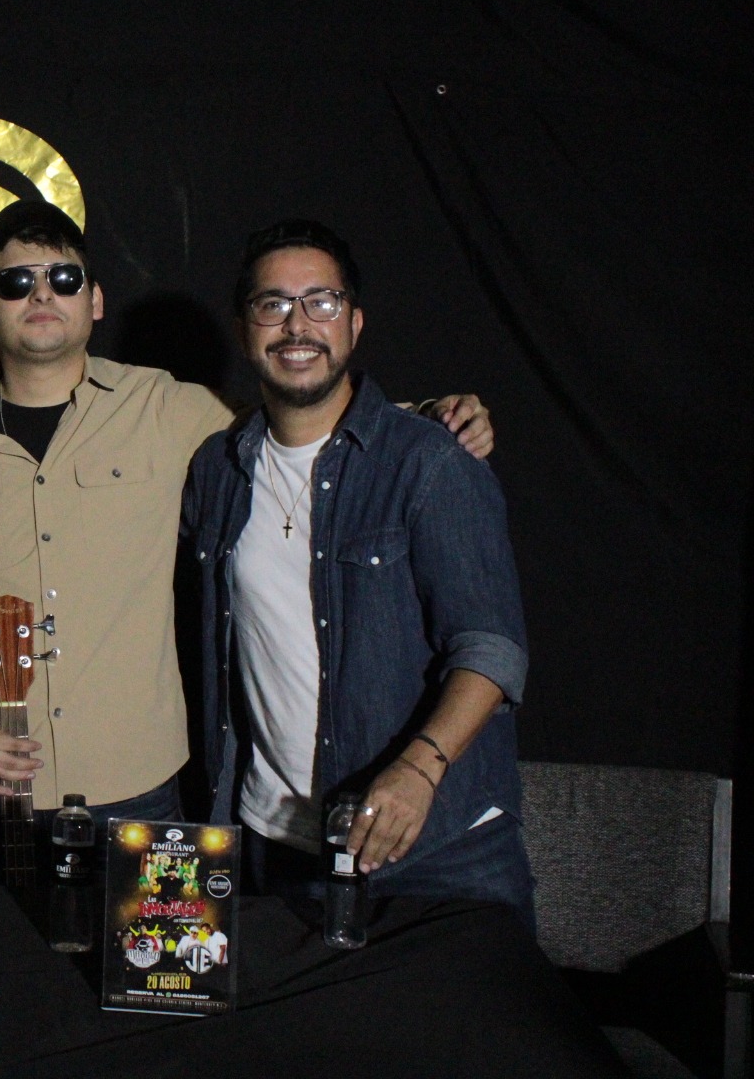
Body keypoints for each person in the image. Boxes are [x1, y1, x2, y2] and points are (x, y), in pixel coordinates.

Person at [0, 200, 493, 883]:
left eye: (63, 278)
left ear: (94, 300)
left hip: (134, 784)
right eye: (15, 282)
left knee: (141, 954)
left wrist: (431, 418)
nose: (41, 295)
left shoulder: (165, 407)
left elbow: (301, 424)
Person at [182, 220, 533, 922]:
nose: (297, 325)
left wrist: (418, 770)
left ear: (354, 322)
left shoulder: (429, 461)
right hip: (278, 847)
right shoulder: (216, 470)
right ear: (245, 329)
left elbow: (491, 647)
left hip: (436, 848)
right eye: (274, 304)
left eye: (322, 302)